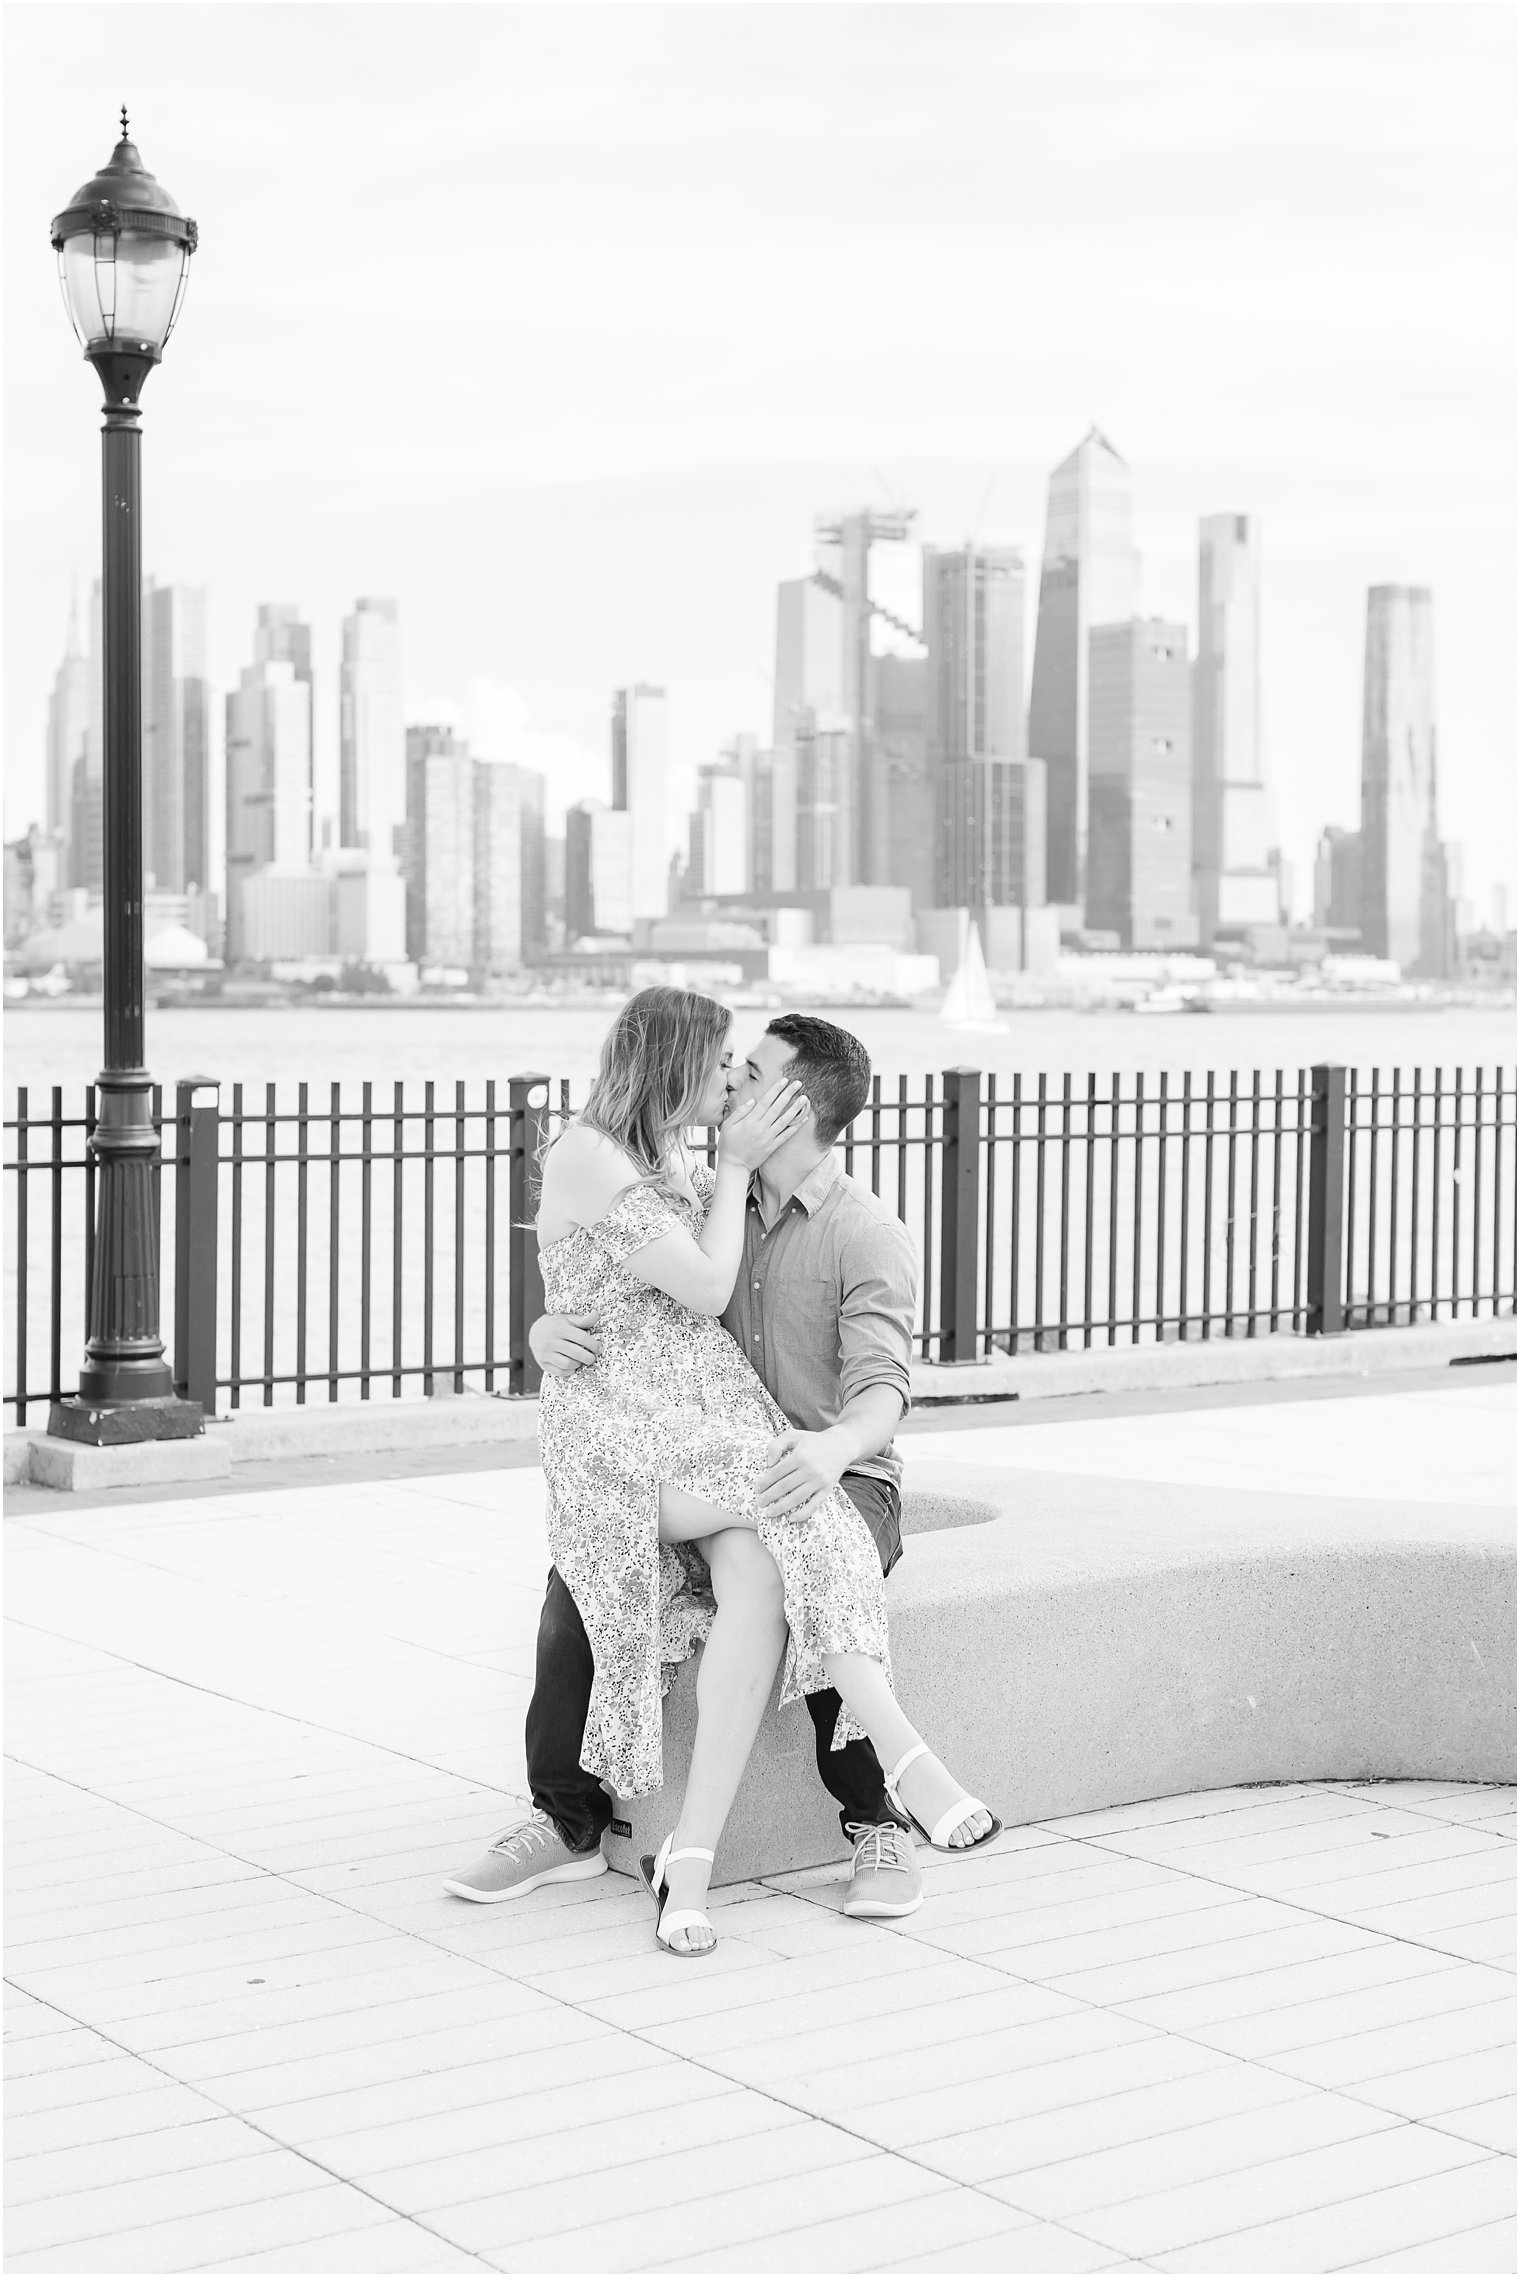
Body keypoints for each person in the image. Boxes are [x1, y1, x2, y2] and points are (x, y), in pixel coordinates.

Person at [443, 994, 997, 1951]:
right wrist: (542, 1330)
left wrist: (829, 1450)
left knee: (796, 1551)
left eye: (751, 1075)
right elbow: (608, 1279)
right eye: (724, 1066)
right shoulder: (707, 1182)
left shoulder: (861, 1229)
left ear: (792, 1108)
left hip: (836, 1462)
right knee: (581, 1586)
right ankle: (568, 1813)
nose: (732, 1082)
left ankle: (867, 1820)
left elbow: (885, 1391)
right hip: (687, 1444)